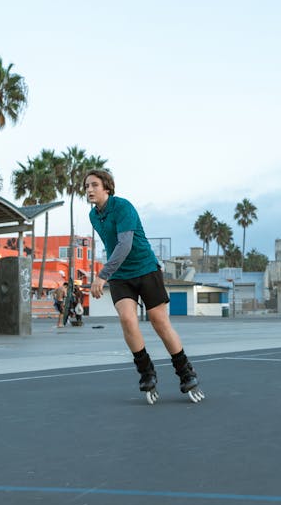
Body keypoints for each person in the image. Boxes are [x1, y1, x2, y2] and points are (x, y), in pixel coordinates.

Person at [84, 168, 204, 403]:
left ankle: (185, 372)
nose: (89, 189)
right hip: (120, 275)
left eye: (94, 185)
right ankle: (146, 373)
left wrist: (102, 275)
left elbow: (124, 244)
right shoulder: (93, 216)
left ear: (107, 187)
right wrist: (109, 273)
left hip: (146, 268)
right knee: (127, 319)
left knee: (159, 322)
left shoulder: (123, 207)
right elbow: (112, 247)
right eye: (87, 186)